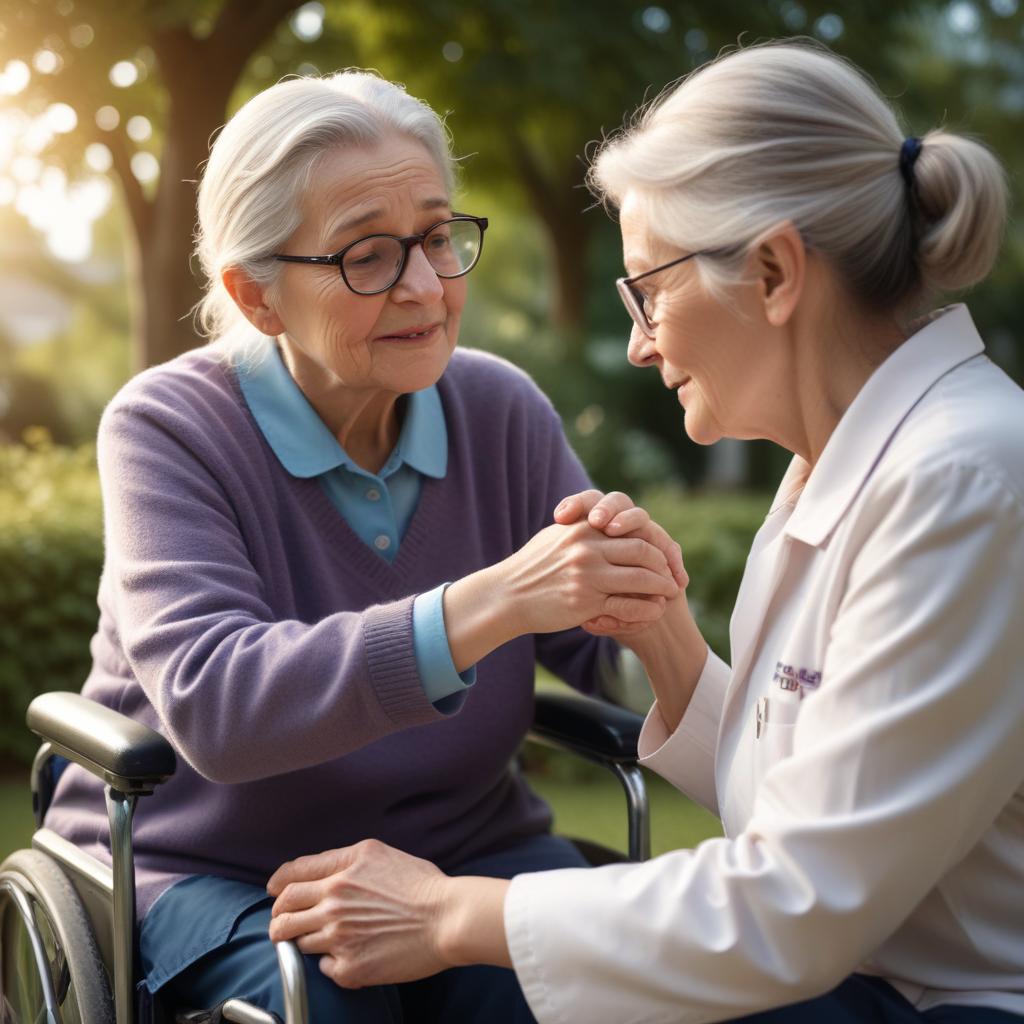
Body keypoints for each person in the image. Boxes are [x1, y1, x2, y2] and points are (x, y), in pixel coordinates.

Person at [266, 41, 1024, 1024]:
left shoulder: (964, 480)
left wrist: (449, 914)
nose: (637, 343)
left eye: (648, 289)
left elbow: (796, 903)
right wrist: (668, 647)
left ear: (772, 271)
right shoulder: (844, 466)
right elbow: (815, 801)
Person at [42, 71, 685, 1022]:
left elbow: (606, 657)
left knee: (588, 983)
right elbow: (218, 706)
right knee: (327, 1003)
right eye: (368, 255)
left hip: (466, 853)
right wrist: (496, 600)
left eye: (437, 237)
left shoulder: (501, 409)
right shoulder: (168, 426)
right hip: (214, 869)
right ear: (257, 296)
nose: (425, 286)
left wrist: (647, 606)